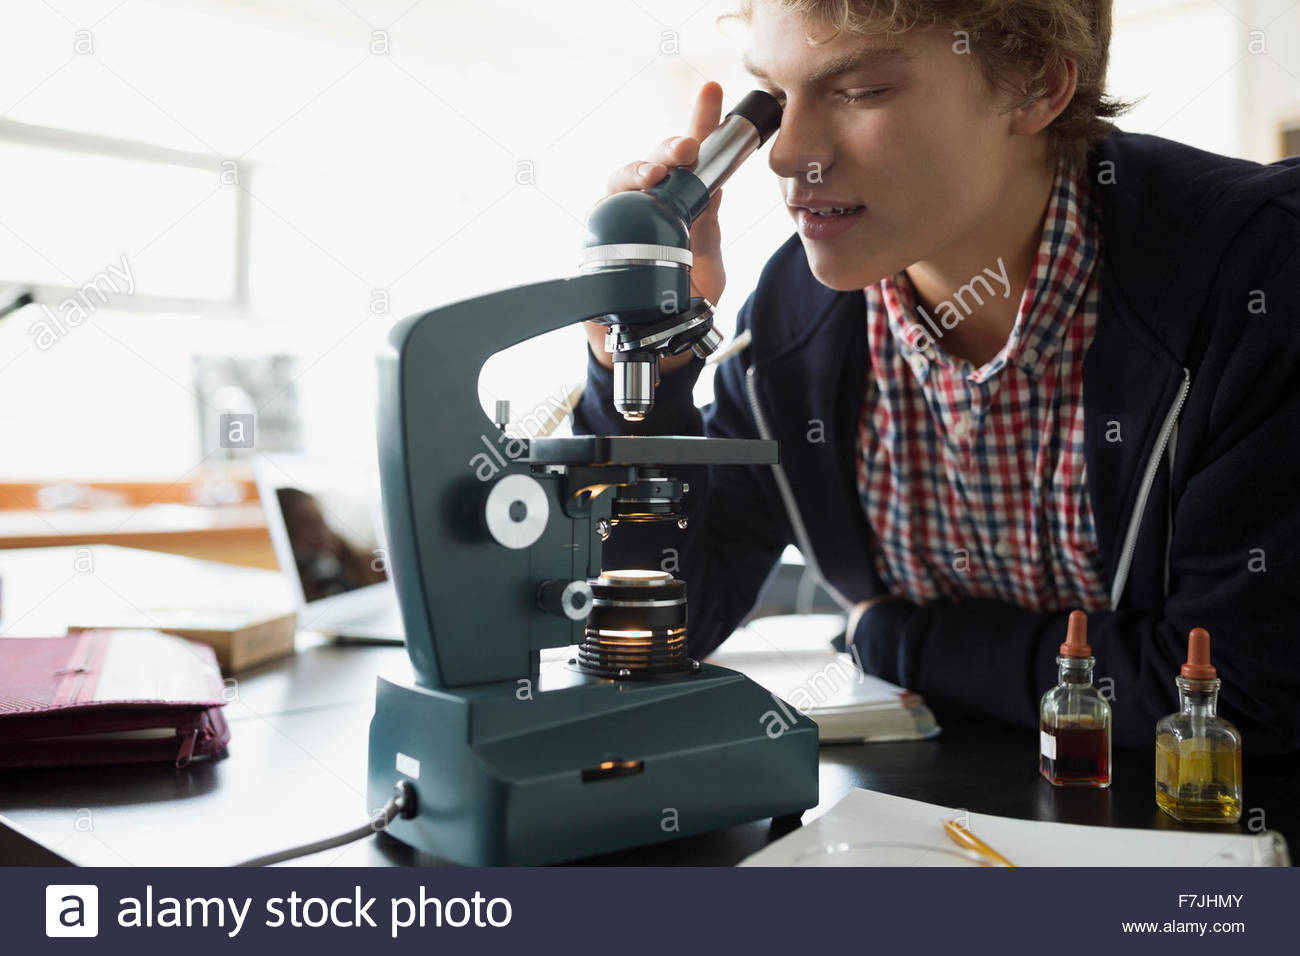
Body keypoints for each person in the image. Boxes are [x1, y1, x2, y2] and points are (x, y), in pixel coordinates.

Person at [572, 0, 1300, 752]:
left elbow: (1240, 697)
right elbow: (657, 626)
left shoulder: (1258, 277)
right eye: (777, 100)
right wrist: (644, 369)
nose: (787, 156)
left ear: (1035, 85)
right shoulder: (790, 320)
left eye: (859, 91)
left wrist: (897, 639)